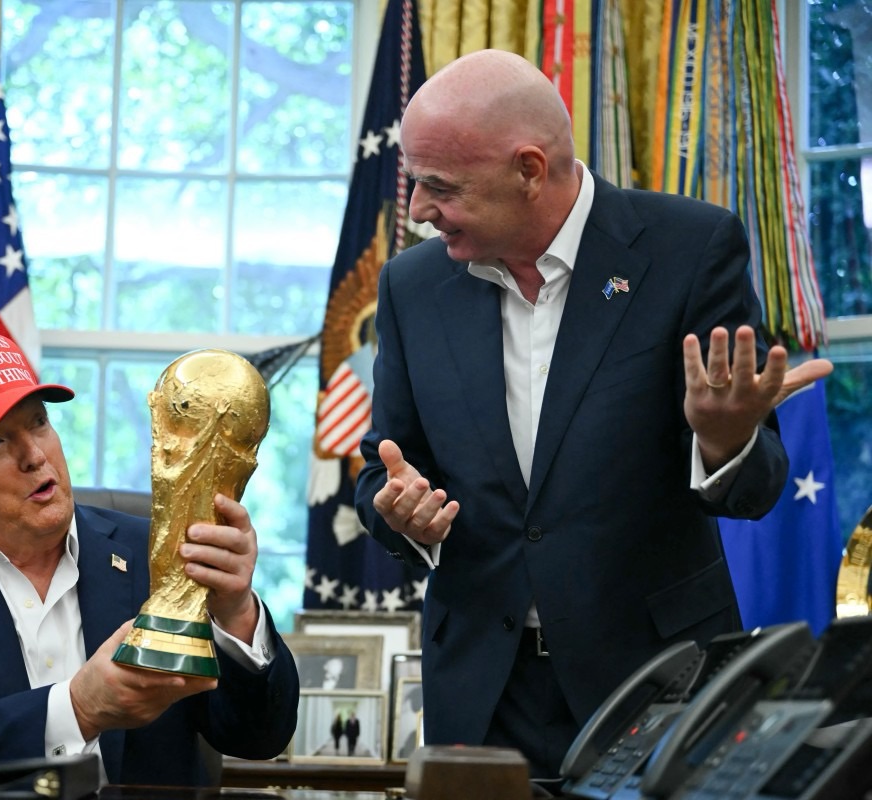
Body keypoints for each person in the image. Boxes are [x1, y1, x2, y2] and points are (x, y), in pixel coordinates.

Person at [353, 49, 834, 781]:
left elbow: (756, 487)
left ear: (529, 169)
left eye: (439, 186)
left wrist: (726, 438)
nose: (417, 209)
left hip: (657, 682)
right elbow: (383, 469)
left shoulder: (689, 248)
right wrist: (400, 512)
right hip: (482, 693)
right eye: (414, 182)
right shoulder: (410, 287)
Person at [0, 330, 299, 786]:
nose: (35, 455)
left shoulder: (161, 554)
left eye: (39, 422)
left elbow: (258, 738)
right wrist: (77, 708)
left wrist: (237, 613)